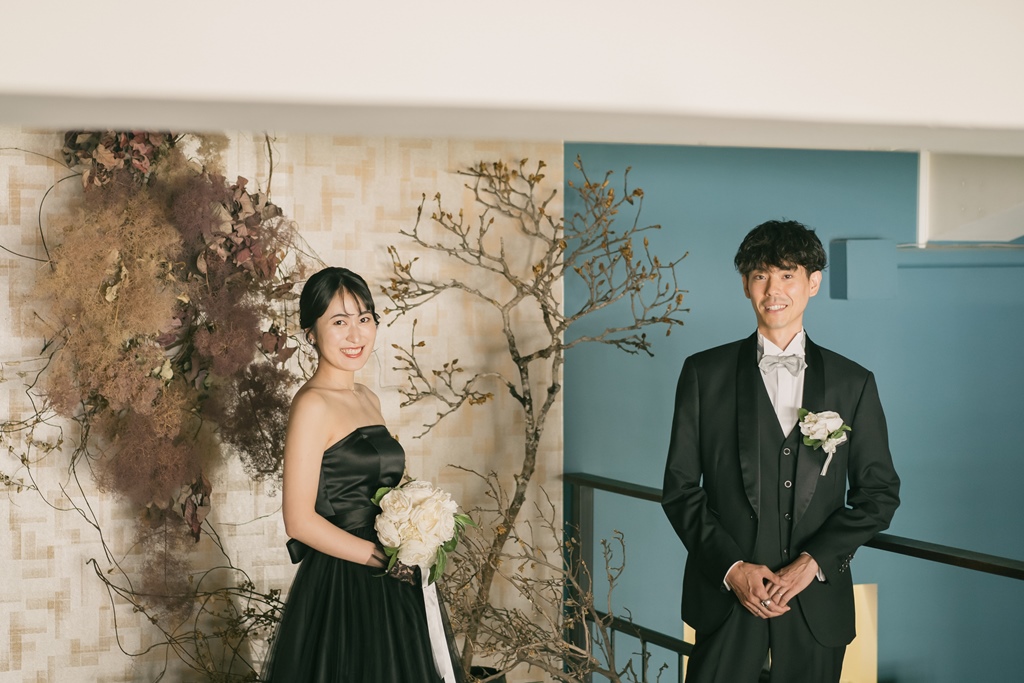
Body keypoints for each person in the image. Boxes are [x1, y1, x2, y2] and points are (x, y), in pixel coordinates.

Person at [661, 221, 900, 683]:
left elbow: (879, 494)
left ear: (813, 282)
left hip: (815, 609)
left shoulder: (853, 382)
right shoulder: (703, 374)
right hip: (727, 602)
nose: (773, 290)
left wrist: (814, 563)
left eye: (787, 275)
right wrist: (732, 569)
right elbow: (680, 489)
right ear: (745, 285)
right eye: (760, 276)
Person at [262, 266, 461, 682]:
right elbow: (298, 521)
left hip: (393, 574)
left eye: (364, 318)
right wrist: (381, 557)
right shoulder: (312, 405)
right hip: (345, 581)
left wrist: (414, 530)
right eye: (339, 322)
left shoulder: (368, 397)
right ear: (311, 333)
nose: (356, 335)